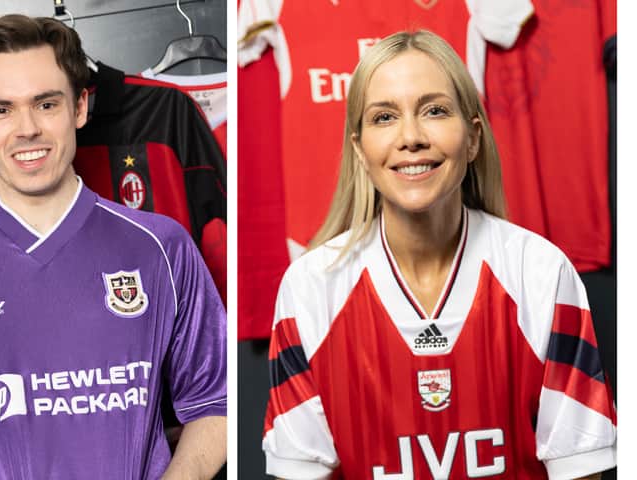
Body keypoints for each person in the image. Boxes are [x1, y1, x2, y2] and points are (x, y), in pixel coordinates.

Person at [0, 14, 227, 479]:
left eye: (46, 104)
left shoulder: (162, 248)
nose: (26, 128)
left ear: (80, 108)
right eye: (1, 109)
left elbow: (217, 402)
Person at [262, 30, 616, 480]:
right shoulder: (310, 287)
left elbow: (579, 470)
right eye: (384, 117)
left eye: (434, 110)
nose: (411, 137)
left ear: (472, 138)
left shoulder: (541, 272)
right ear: (359, 150)